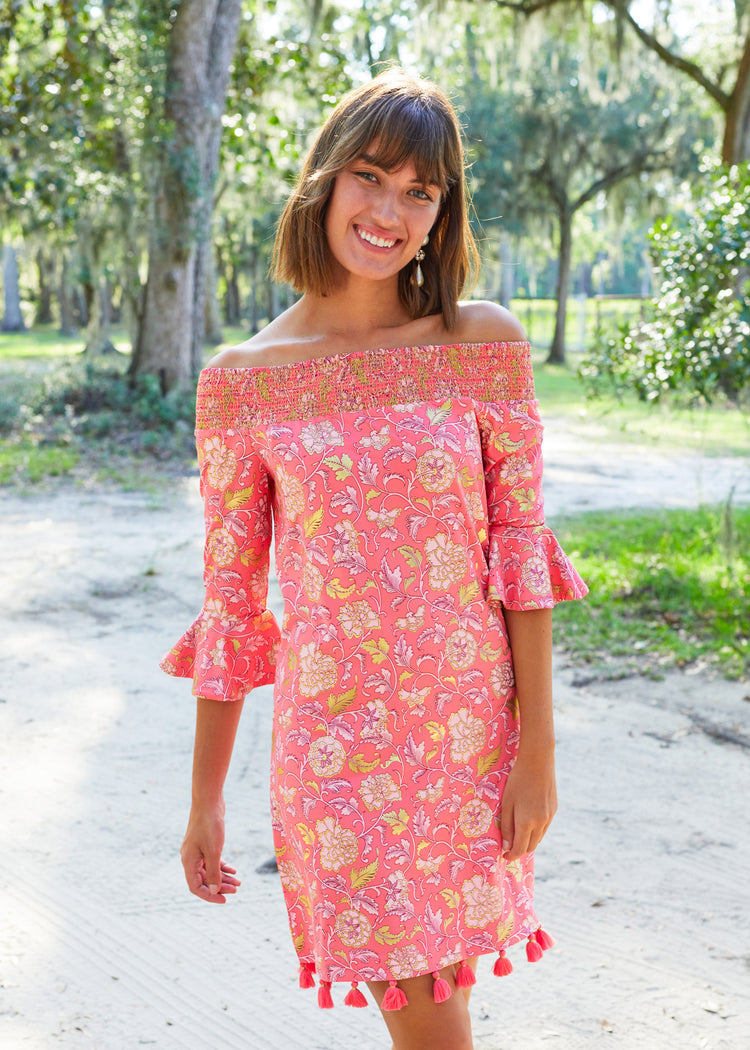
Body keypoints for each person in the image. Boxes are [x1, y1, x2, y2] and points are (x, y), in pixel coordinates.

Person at [160, 69, 587, 1050]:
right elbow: (233, 607)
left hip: (469, 746)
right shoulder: (243, 385)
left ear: (443, 213)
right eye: (370, 176)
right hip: (341, 760)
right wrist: (203, 803)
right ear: (324, 181)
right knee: (428, 1020)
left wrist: (539, 754)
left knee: (442, 1005)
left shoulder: (482, 346)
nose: (391, 209)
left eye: (420, 190)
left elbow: (521, 563)